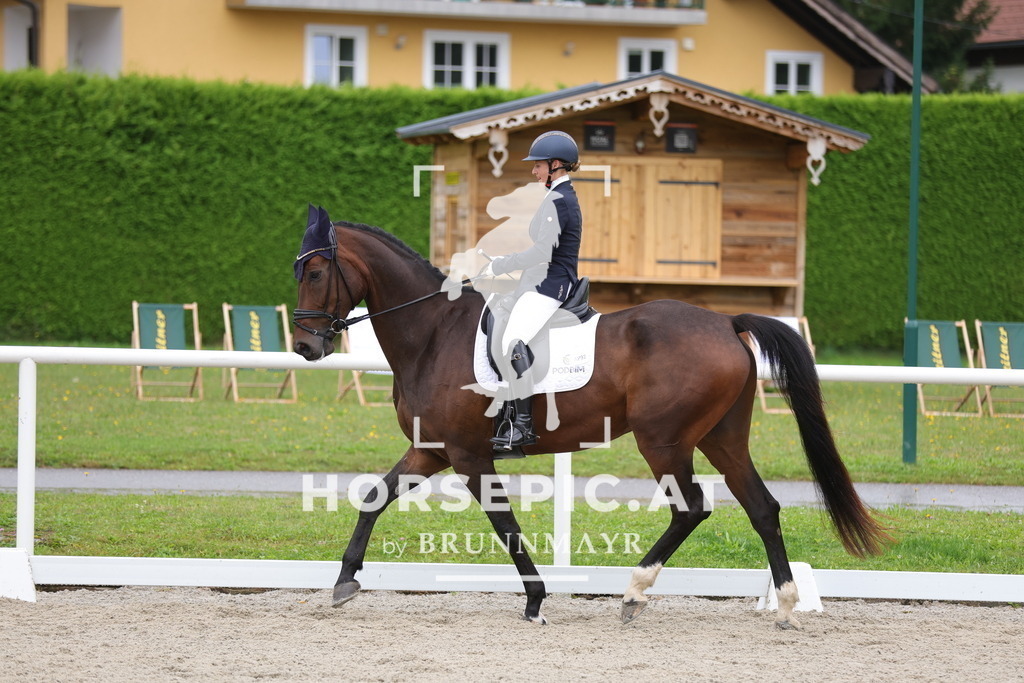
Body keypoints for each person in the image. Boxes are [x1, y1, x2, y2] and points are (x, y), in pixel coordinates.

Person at [480, 130, 583, 455]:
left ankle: (522, 425)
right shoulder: (556, 197)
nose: (534, 171)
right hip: (540, 281)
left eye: (538, 166)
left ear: (556, 165)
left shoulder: (559, 199)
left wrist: (501, 265)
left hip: (553, 284)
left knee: (514, 341)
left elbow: (543, 252)